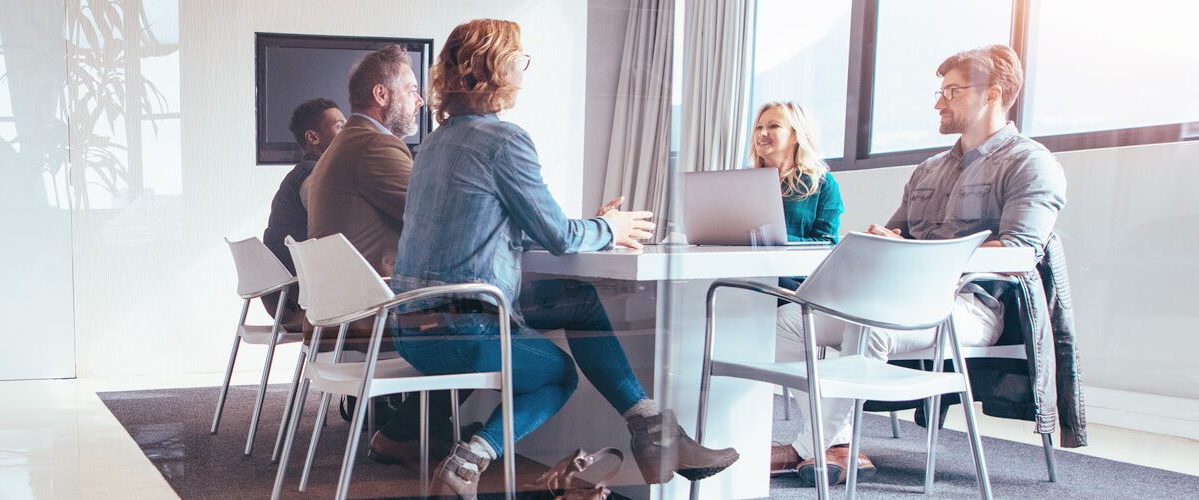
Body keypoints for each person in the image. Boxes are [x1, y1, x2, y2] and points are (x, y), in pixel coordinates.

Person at [384, 19, 734, 498]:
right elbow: (558, 237)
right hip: (461, 331)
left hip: (410, 328)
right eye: (520, 58)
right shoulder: (504, 141)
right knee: (559, 373)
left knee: (579, 298)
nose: (525, 69)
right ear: (496, 66)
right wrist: (612, 228)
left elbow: (494, 231)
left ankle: (654, 430)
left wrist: (585, 227)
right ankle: (469, 461)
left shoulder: (430, 146)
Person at [768, 44, 1066, 486]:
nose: (937, 102)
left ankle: (806, 448)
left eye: (951, 91)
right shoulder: (927, 169)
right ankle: (837, 441)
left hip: (974, 305)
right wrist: (888, 241)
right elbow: (899, 236)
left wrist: (919, 255)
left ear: (992, 94)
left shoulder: (1031, 163)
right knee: (787, 323)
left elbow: (1021, 252)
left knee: (869, 322)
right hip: (896, 299)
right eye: (940, 91)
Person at [301, 45, 423, 430]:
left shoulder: (344, 144)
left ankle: (415, 430)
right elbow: (435, 220)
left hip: (336, 321)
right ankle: (409, 431)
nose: (420, 100)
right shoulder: (376, 145)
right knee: (479, 329)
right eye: (412, 89)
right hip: (368, 322)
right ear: (382, 95)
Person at [260, 98, 344, 329]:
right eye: (339, 126)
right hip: (298, 302)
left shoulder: (302, 173)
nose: (348, 134)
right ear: (313, 137)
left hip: (283, 295)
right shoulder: (313, 177)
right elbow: (331, 229)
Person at [751, 101, 842, 244]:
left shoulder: (822, 183)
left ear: (796, 135)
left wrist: (772, 240)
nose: (762, 133)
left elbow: (827, 243)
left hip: (795, 264)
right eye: (758, 127)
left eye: (774, 126)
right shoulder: (744, 182)